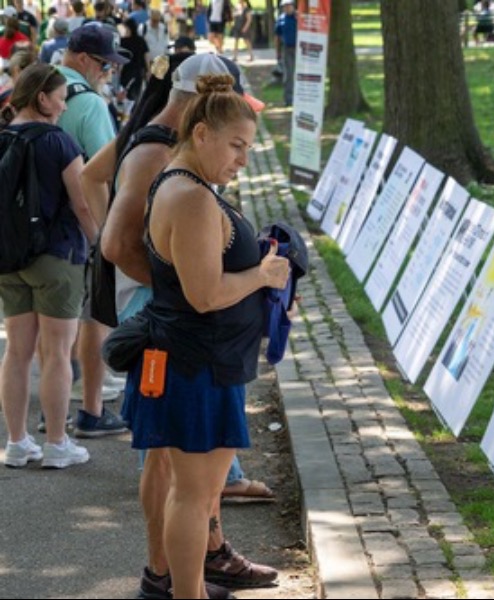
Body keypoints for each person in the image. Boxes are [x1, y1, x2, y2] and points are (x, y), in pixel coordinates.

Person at [83, 52, 278, 598]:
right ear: (201, 132)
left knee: (184, 489)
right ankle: (180, 587)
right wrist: (260, 275)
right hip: (193, 359)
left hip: (189, 354)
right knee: (192, 495)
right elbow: (204, 292)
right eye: (237, 146)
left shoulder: (181, 176)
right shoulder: (185, 189)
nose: (243, 159)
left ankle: (180, 582)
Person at [0, 63, 99, 469]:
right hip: (57, 257)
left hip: (8, 258)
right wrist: (98, 242)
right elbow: (81, 201)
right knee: (57, 353)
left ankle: (17, 442)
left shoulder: (2, 136)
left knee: (17, 352)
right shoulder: (60, 142)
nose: (62, 106)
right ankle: (57, 443)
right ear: (42, 98)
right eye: (59, 98)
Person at [58, 22, 131, 438]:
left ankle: (51, 411)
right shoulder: (88, 104)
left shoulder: (30, 84)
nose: (107, 73)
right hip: (77, 227)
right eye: (104, 64)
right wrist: (109, 231)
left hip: (24, 227)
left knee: (35, 331)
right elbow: (108, 173)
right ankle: (90, 408)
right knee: (93, 315)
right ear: (84, 59)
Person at [275, 0, 296, 107]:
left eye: (289, 6)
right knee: (289, 74)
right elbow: (277, 37)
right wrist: (277, 52)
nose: (287, 8)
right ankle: (288, 99)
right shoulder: (281, 19)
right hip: (286, 49)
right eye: (285, 6)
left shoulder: (298, 17)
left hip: (299, 48)